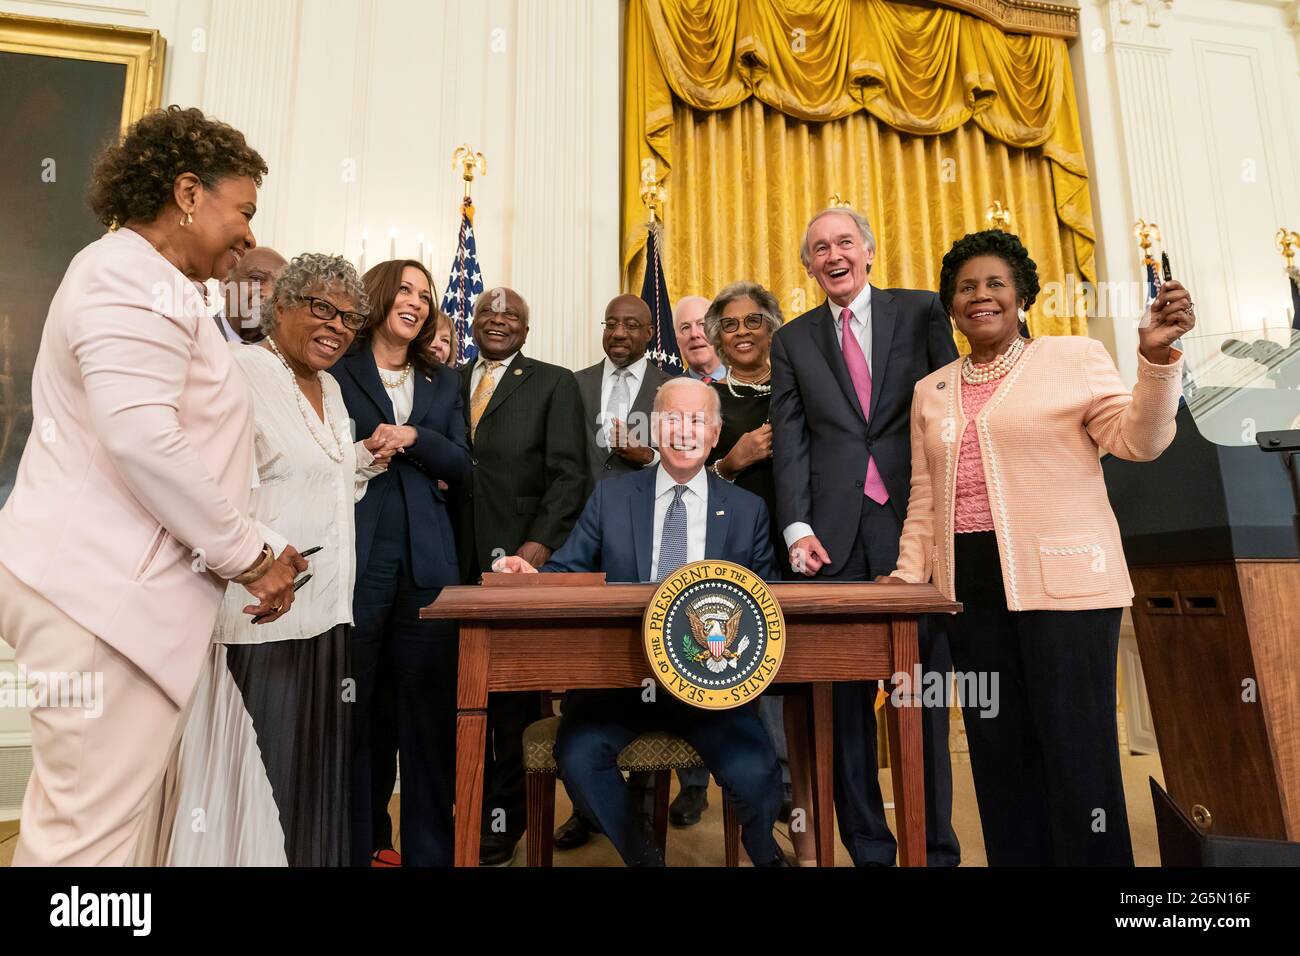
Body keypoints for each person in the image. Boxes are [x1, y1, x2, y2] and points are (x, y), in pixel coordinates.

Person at [0, 106, 299, 866]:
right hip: (100, 606)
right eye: (244, 210)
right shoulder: (126, 277)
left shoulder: (150, 282)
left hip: (113, 603)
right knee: (85, 842)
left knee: (100, 830)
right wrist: (251, 556)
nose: (249, 234)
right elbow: (145, 441)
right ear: (189, 193)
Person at [884, 230, 1194, 865]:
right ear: (951, 306)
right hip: (968, 587)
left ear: (1021, 295)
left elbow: (1140, 441)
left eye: (996, 283)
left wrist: (1156, 362)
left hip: (1065, 585)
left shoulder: (1072, 357)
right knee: (998, 751)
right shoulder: (931, 390)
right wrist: (906, 575)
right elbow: (924, 496)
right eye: (966, 287)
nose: (981, 296)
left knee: (1075, 750)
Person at [159, 253, 398, 865]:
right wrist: (261, 552)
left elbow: (318, 478)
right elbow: (204, 489)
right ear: (282, 305)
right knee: (263, 781)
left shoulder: (334, 387)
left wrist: (362, 462)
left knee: (312, 780)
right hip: (260, 619)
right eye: (321, 307)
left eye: (348, 317)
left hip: (326, 616)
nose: (337, 326)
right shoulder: (238, 371)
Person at [494, 377, 789, 867]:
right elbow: (568, 571)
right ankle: (645, 859)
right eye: (673, 418)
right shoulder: (611, 497)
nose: (684, 430)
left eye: (698, 420)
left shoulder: (746, 510)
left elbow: (763, 603)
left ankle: (766, 854)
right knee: (579, 758)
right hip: (619, 682)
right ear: (653, 426)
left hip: (710, 689)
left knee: (757, 772)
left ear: (715, 433)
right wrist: (533, 577)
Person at [770, 205, 961, 867]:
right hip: (834, 543)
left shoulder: (921, 312)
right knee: (845, 712)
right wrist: (796, 527)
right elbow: (790, 442)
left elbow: (953, 413)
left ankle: (933, 849)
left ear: (869, 251)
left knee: (922, 701)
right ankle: (870, 850)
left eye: (843, 242)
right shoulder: (792, 342)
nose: (833, 255)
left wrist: (949, 518)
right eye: (819, 248)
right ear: (809, 265)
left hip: (917, 527)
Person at [334, 259, 472, 867]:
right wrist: (363, 451)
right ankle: (363, 845)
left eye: (426, 294)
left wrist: (416, 439)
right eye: (406, 290)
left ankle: (428, 854)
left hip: (427, 567)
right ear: (381, 295)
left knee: (428, 715)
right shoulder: (337, 368)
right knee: (358, 712)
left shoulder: (444, 381)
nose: (416, 302)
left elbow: (464, 466)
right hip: (357, 560)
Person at [455, 286, 587, 866]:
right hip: (449, 556)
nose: (498, 321)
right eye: (488, 312)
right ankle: (458, 802)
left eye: (511, 315)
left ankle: (500, 818)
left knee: (508, 697)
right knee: (454, 688)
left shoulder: (553, 383)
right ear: (473, 322)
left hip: (518, 562)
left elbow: (570, 474)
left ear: (526, 331)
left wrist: (534, 551)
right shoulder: (448, 379)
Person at [574, 294, 672, 483]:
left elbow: (687, 458)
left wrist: (647, 456)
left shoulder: (672, 388)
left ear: (649, 333)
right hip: (583, 508)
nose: (618, 333)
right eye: (611, 325)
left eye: (631, 325)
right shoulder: (574, 383)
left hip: (644, 506)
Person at [215, 246, 287, 343]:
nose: (270, 294)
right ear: (226, 283)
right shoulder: (196, 336)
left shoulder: (288, 351)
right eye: (256, 279)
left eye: (279, 286)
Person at [674, 294, 727, 382]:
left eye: (702, 324)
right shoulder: (669, 391)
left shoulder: (746, 383)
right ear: (677, 342)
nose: (694, 334)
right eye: (685, 327)